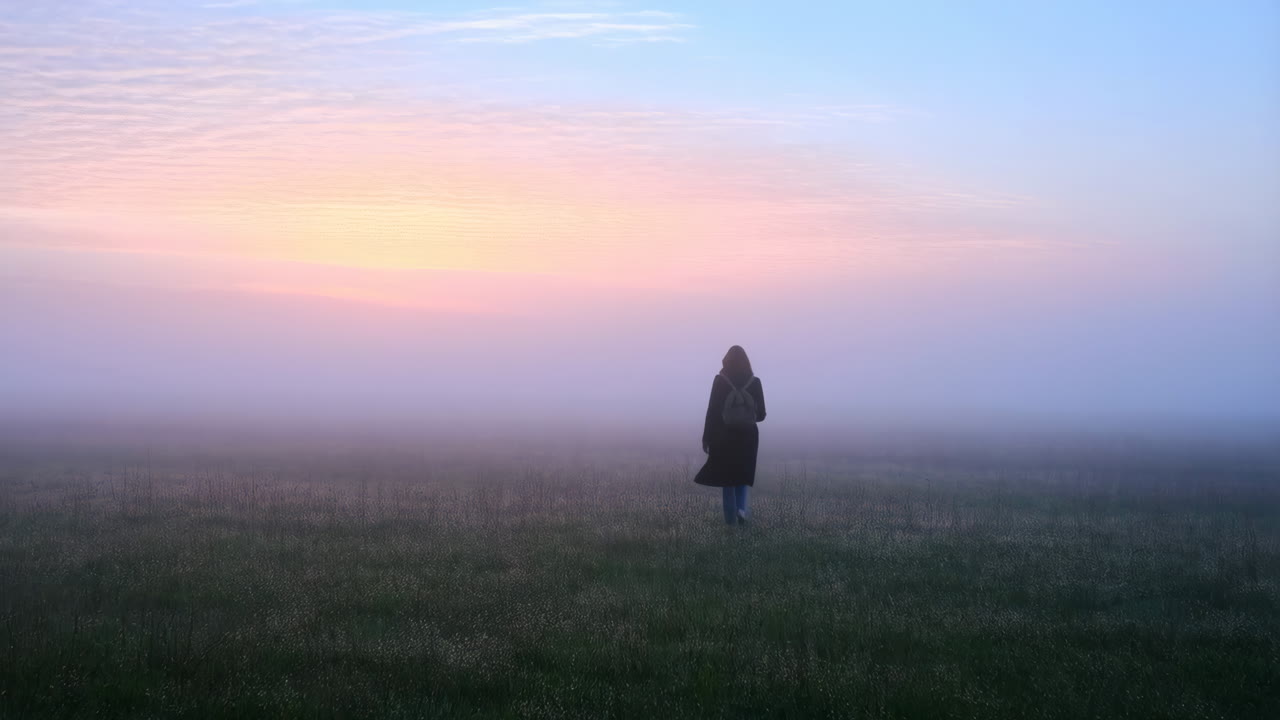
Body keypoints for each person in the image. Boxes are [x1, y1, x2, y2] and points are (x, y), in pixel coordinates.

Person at [694, 345, 766, 525]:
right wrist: (745, 416)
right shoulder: (755, 382)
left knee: (727, 480)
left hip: (723, 436)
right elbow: (762, 414)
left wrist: (706, 438)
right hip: (748, 438)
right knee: (742, 477)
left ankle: (730, 524)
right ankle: (741, 510)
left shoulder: (720, 381)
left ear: (726, 361)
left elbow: (712, 412)